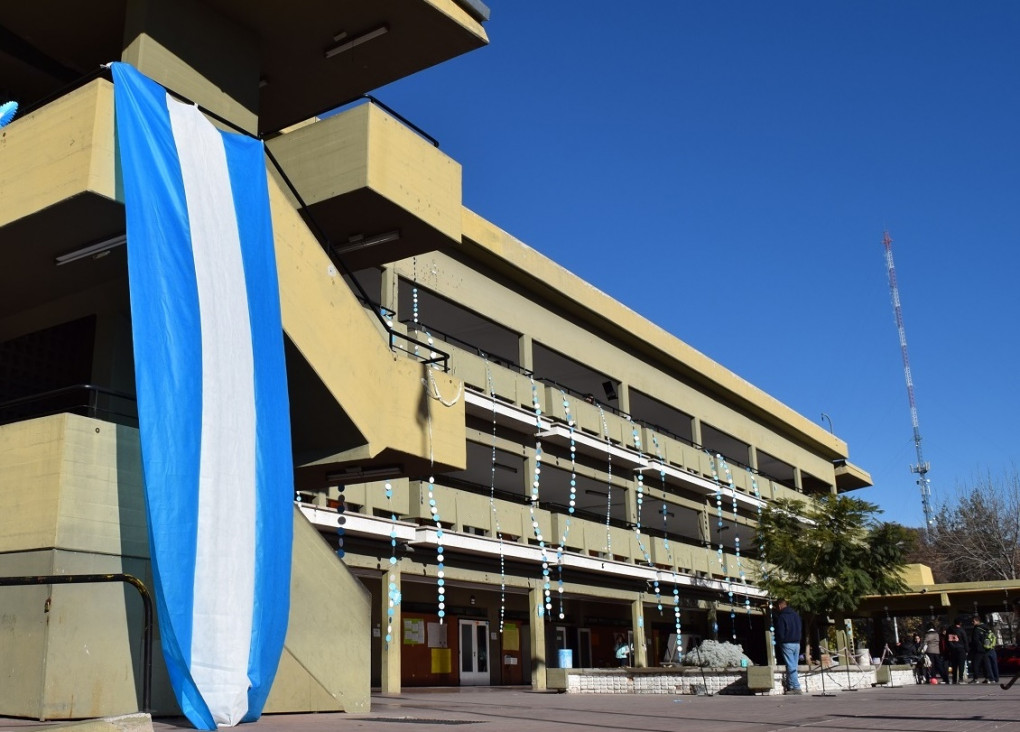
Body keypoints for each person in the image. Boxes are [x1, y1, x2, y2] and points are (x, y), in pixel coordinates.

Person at [774, 598, 803, 694]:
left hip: (787, 642)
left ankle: (796, 687)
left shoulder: (782, 617)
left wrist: (779, 641)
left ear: (779, 606)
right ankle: (790, 685)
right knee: (794, 665)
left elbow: (780, 632)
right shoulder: (796, 615)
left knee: (791, 665)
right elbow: (800, 628)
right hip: (797, 642)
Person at [969, 615, 996, 683]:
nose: (972, 622)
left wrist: (973, 647)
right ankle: (988, 678)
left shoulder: (977, 629)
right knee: (985, 664)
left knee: (975, 664)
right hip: (986, 648)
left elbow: (975, 640)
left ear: (977, 621)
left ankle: (976, 679)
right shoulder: (986, 627)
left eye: (973, 621)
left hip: (978, 650)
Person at [946, 618, 969, 684]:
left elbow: (947, 640)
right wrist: (967, 650)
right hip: (961, 649)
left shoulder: (949, 630)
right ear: (960, 623)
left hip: (953, 650)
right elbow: (965, 641)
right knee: (961, 665)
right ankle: (960, 679)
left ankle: (954, 679)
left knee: (954, 665)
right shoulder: (961, 630)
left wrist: (951, 648)